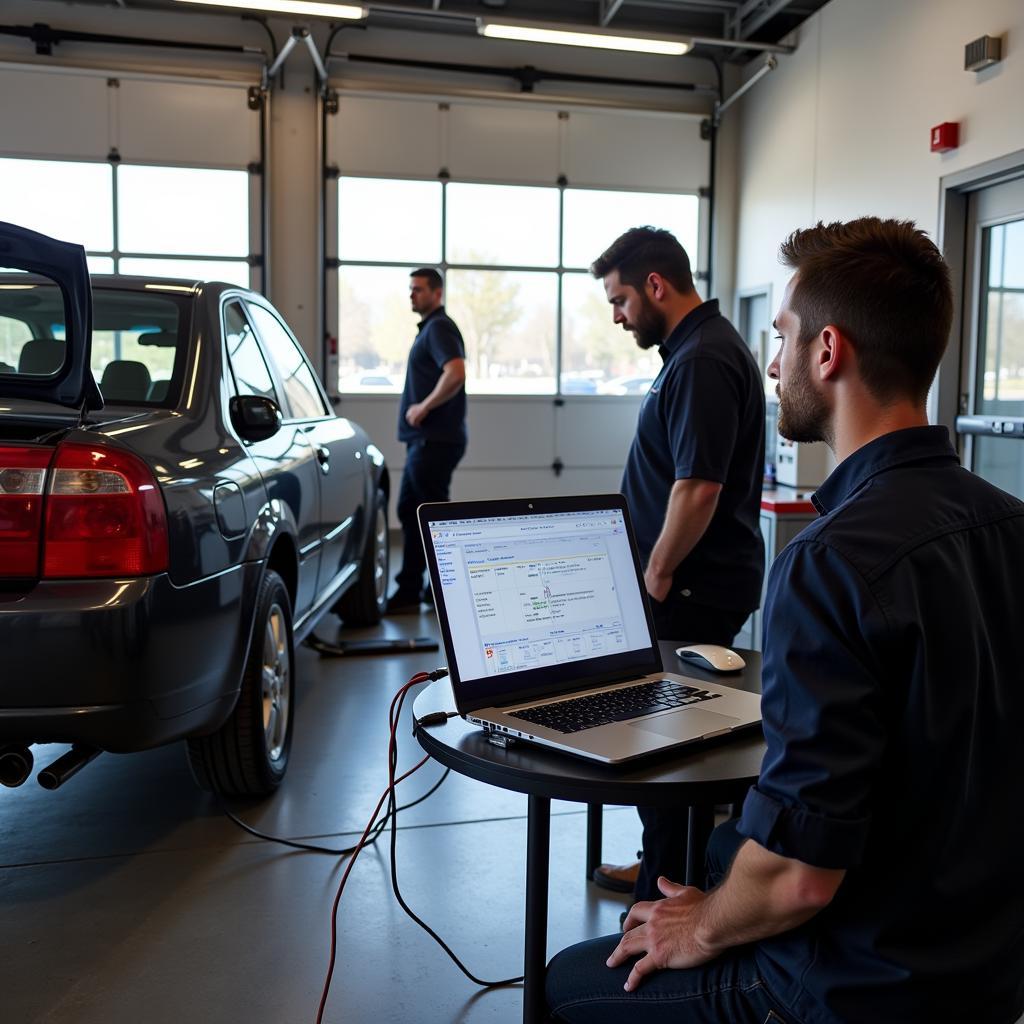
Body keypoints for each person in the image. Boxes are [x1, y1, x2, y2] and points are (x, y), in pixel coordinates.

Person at [546, 217, 1024, 1024]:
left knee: (567, 981)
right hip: (985, 973)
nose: (771, 364)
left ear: (828, 351)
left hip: (847, 984)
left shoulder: (829, 561)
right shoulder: (1010, 523)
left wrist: (703, 922)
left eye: (783, 338)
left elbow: (800, 879)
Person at [589, 227, 766, 902]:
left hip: (687, 588)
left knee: (667, 747)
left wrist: (655, 577)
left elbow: (698, 487)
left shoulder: (701, 361)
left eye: (620, 299)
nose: (617, 315)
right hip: (687, 583)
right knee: (666, 738)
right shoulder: (697, 349)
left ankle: (663, 896)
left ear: (655, 286)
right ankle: (662, 863)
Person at [387, 267, 467, 613]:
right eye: (410, 289)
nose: (412, 295)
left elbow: (456, 372)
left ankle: (441, 593)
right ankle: (414, 589)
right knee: (411, 510)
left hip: (434, 440)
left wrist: (423, 407)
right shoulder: (430, 330)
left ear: (437, 293)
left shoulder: (439, 328)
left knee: (433, 518)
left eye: (418, 289)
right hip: (424, 441)